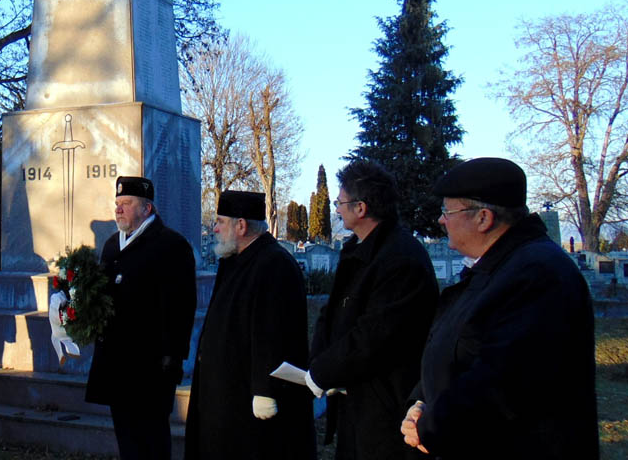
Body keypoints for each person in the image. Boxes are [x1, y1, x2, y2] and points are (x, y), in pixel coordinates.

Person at [400, 157, 598, 459]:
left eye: (447, 212)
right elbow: (453, 349)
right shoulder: (498, 267)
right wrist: (420, 403)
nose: (441, 220)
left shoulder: (537, 275)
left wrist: (432, 426)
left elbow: (503, 381)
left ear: (483, 218)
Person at [306, 159, 438, 459]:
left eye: (340, 202)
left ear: (361, 208)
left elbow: (375, 335)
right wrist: (320, 361)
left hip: (386, 405)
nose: (336, 210)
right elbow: (333, 315)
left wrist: (325, 370)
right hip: (357, 400)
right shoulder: (358, 249)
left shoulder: (400, 258)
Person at [186, 190, 315, 460]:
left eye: (221, 221)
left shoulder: (273, 263)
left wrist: (264, 391)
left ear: (241, 225)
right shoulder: (234, 260)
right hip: (225, 397)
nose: (215, 228)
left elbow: (274, 334)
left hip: (249, 401)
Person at [84, 176, 196, 460]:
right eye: (117, 204)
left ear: (147, 208)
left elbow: (182, 306)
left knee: (151, 442)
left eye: (127, 203)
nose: (118, 210)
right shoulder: (112, 245)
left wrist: (172, 358)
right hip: (116, 363)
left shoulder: (171, 245)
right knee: (126, 440)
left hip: (150, 368)